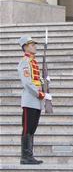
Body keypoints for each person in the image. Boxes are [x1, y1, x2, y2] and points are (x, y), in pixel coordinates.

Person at [17, 35, 49, 165]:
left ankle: (29, 155)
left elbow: (36, 79)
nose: (35, 46)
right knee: (27, 129)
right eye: (32, 45)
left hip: (36, 101)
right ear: (25, 47)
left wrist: (45, 81)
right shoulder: (25, 62)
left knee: (32, 128)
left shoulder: (33, 62)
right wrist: (39, 93)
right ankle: (25, 156)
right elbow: (27, 83)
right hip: (30, 99)